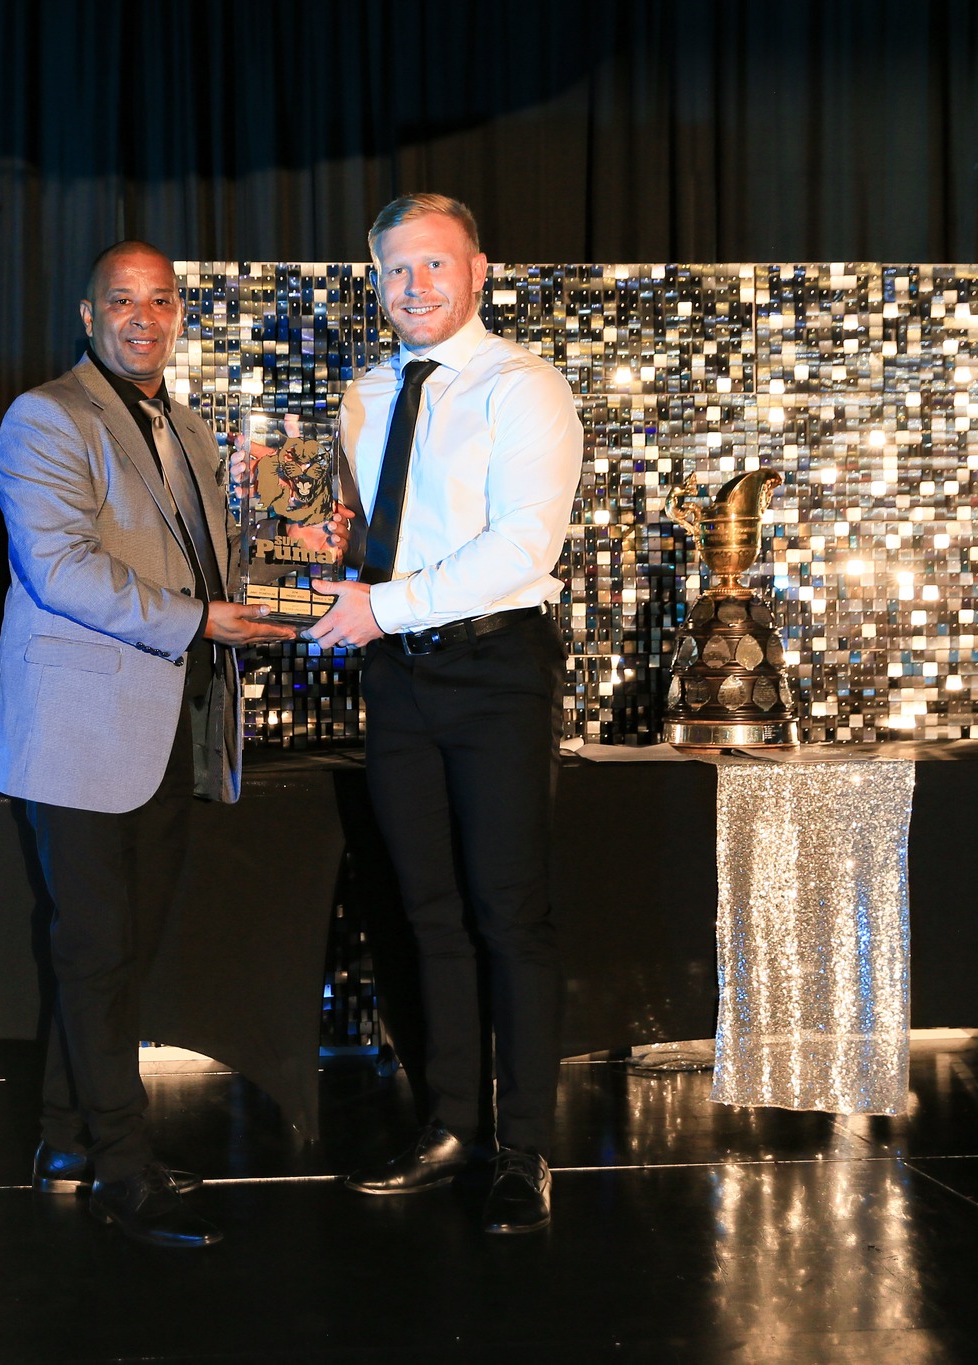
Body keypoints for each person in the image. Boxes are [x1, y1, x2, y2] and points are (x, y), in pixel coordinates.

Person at [0, 240, 294, 1248]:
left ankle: (64, 1136)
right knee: (94, 950)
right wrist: (202, 619)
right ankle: (123, 1167)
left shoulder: (189, 429)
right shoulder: (47, 417)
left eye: (159, 301)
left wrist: (294, 555)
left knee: (122, 951)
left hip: (169, 726)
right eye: (121, 300)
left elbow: (210, 563)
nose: (142, 318)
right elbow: (61, 570)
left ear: (176, 316)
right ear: (88, 315)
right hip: (79, 726)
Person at [307, 194, 584, 1235]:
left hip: (494, 669)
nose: (414, 285)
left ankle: (525, 1150)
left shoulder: (523, 386)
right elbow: (367, 540)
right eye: (395, 268)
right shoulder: (365, 394)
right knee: (426, 911)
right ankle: (452, 1123)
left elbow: (521, 548)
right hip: (397, 678)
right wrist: (301, 532)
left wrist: (378, 608)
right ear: (375, 280)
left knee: (508, 913)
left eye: (434, 264)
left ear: (478, 271)